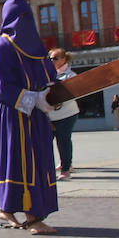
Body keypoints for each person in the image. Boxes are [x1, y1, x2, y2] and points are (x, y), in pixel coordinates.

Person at [0, 0, 59, 235]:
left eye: (28, 16)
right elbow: (0, 87)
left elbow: (50, 77)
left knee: (39, 161)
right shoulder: (0, 49)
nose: (24, 22)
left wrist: (52, 96)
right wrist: (33, 99)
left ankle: (13, 209)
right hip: (12, 114)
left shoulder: (38, 49)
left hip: (36, 117)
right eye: (20, 16)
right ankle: (31, 218)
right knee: (19, 160)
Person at [46, 49, 81, 180]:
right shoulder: (47, 74)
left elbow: (73, 93)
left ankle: (66, 170)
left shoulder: (70, 75)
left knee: (63, 141)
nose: (51, 61)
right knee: (47, 141)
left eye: (54, 58)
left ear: (63, 59)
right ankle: (57, 166)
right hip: (50, 115)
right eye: (49, 58)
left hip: (67, 114)